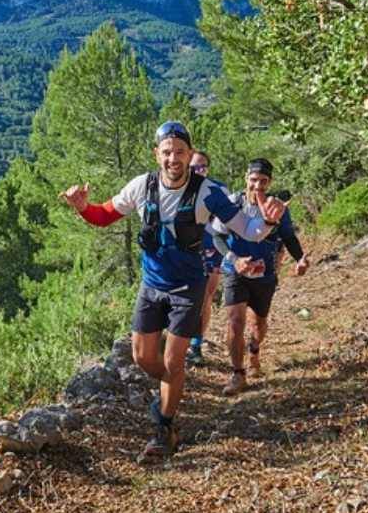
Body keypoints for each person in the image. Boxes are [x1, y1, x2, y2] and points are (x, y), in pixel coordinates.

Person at [60, 122, 284, 462]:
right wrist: (82, 207)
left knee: (172, 360)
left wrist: (268, 221)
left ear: (189, 154)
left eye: (180, 152)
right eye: (167, 152)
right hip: (151, 285)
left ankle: (164, 429)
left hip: (188, 288)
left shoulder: (208, 192)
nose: (173, 158)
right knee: (142, 358)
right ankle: (172, 386)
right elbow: (106, 215)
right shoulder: (142, 186)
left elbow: (249, 230)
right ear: (157, 154)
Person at [210, 158, 309, 396]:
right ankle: (237, 373)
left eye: (263, 181)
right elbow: (217, 236)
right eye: (254, 180)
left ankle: (254, 351)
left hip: (265, 273)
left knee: (258, 323)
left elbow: (288, 237)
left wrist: (300, 258)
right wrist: (234, 259)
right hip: (236, 271)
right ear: (246, 178)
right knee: (235, 320)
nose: (258, 186)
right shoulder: (233, 203)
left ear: (270, 182)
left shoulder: (278, 208)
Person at [186, 150, 223, 368]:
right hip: (184, 250)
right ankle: (177, 340)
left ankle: (196, 345)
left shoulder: (218, 189)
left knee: (205, 297)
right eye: (193, 168)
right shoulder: (175, 188)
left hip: (211, 248)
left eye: (202, 167)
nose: (198, 171)